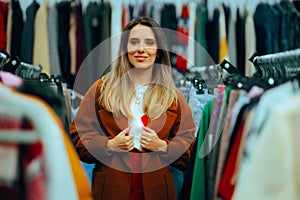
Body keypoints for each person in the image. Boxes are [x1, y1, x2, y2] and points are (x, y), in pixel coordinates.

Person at [70, 16, 196, 200]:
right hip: (111, 188)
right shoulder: (101, 89)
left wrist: (162, 146)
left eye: (149, 43)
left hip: (157, 190)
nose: (141, 49)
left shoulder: (172, 96)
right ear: (124, 48)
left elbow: (189, 144)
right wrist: (109, 145)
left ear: (159, 51)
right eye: (134, 42)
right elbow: (78, 136)